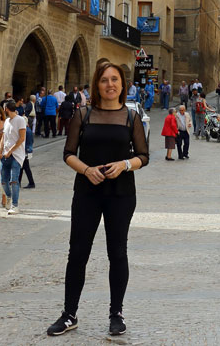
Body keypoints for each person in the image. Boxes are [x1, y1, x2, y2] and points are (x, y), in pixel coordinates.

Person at [48, 59, 149, 337]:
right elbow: (68, 153)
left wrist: (124, 165)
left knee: (117, 253)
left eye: (115, 79)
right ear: (97, 84)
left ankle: (116, 313)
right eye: (105, 80)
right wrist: (87, 170)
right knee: (78, 252)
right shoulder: (83, 114)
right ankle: (69, 314)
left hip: (121, 193)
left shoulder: (131, 117)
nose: (110, 85)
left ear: (122, 85)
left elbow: (143, 156)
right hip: (87, 192)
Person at [0, 100, 27, 215]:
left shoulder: (20, 120)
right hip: (5, 155)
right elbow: (4, 137)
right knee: (3, 181)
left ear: (6, 109)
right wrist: (0, 150)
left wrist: (11, 151)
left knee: (14, 180)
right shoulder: (6, 121)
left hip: (16, 155)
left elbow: (22, 138)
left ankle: (15, 205)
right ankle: (10, 197)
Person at [19, 116, 36, 189]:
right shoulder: (28, 130)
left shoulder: (25, 130)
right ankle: (18, 181)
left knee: (24, 167)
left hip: (24, 151)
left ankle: (31, 182)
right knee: (22, 167)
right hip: (26, 150)